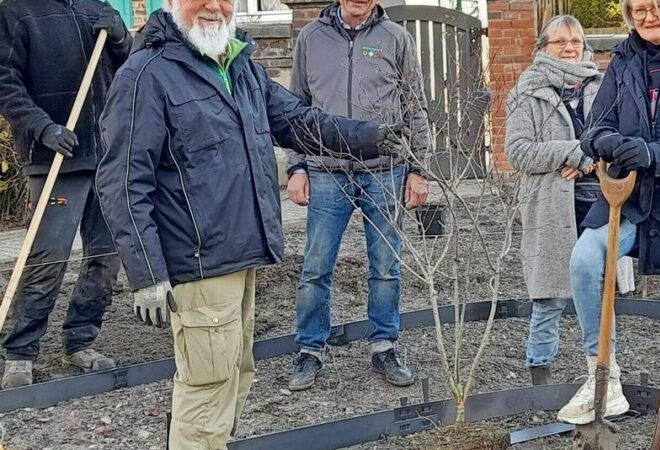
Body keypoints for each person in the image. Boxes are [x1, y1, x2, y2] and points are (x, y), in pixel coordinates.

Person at [94, 0, 405, 447]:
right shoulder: (147, 75)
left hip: (240, 256)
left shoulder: (240, 67)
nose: (214, 6)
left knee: (236, 374)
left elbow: (299, 122)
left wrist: (368, 136)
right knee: (206, 387)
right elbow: (123, 179)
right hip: (198, 263)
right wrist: (147, 272)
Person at [556, 0, 660, 447]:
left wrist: (655, 154)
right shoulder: (624, 58)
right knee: (586, 258)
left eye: (657, 6)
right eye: (638, 8)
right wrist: (613, 143)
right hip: (630, 198)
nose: (648, 16)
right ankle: (602, 376)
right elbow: (595, 127)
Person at [285, 0, 431, 391]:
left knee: (385, 267)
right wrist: (296, 166)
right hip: (325, 170)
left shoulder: (396, 38)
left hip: (383, 170)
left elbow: (414, 105)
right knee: (315, 267)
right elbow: (294, 109)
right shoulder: (310, 38)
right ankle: (310, 350)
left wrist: (417, 168)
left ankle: (384, 346)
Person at [0, 0, 131, 389]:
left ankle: (80, 339)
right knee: (47, 256)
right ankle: (20, 352)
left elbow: (133, 74)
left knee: (107, 257)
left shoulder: (99, 9)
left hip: (106, 155)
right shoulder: (17, 13)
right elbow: (5, 82)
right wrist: (42, 128)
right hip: (54, 157)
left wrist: (123, 40)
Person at [505, 15, 604, 385]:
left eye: (575, 41)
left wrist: (587, 161)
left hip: (601, 201)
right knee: (550, 295)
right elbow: (518, 152)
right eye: (559, 42)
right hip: (550, 203)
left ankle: (599, 374)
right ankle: (540, 371)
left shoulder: (603, 86)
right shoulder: (526, 92)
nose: (569, 48)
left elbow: (619, 140)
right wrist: (576, 152)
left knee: (598, 292)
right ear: (543, 48)